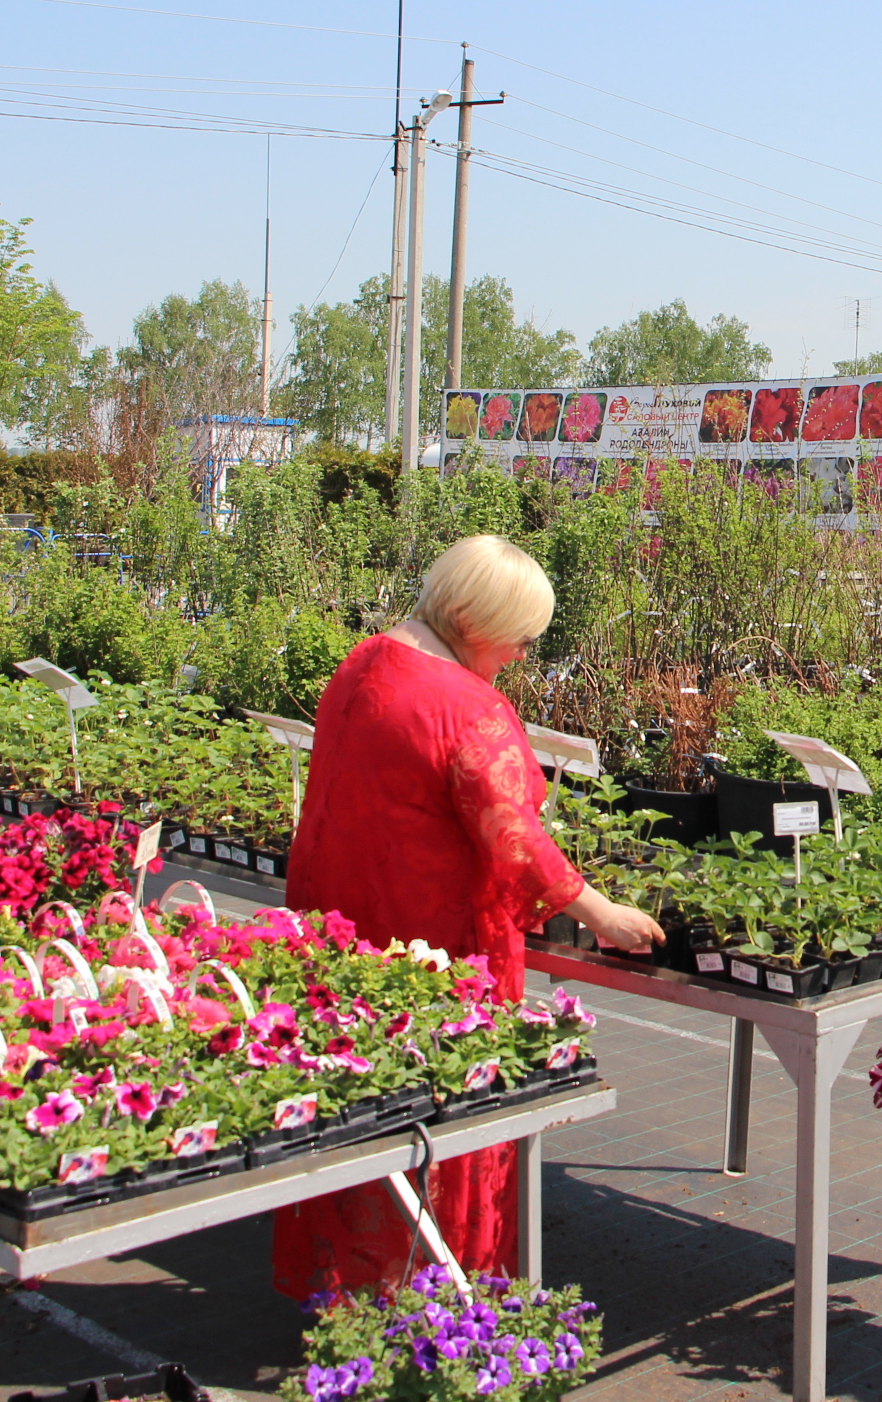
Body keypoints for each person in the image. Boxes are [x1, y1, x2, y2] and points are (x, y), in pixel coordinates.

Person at [272, 534, 663, 1296]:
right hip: (431, 941)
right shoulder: (466, 706)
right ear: (473, 619)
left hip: (344, 920)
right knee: (440, 1117)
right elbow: (514, 840)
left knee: (358, 1103)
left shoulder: (362, 662)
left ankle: (355, 1287)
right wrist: (600, 911)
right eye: (518, 637)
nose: (521, 654)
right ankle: (438, 1299)